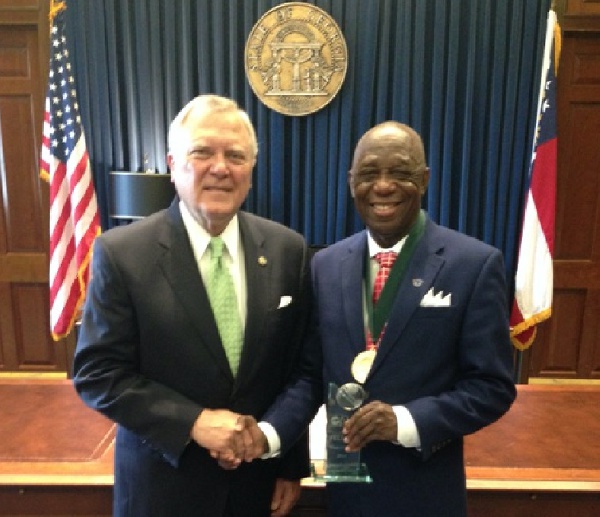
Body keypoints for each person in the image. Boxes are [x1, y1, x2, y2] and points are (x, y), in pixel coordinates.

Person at [256, 121, 517, 516]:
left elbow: (492, 387)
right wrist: (267, 438)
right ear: (350, 182)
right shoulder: (324, 266)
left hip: (425, 494)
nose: (382, 186)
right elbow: (309, 375)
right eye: (369, 174)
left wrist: (405, 421)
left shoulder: (474, 265)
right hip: (346, 492)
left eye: (400, 173)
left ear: (425, 179)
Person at [72, 94, 311, 516]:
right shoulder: (121, 253)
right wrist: (192, 422)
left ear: (250, 172)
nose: (220, 167)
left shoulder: (287, 250)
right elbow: (98, 373)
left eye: (236, 155)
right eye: (202, 151)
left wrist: (285, 458)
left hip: (256, 489)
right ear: (172, 163)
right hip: (162, 488)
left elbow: (300, 369)